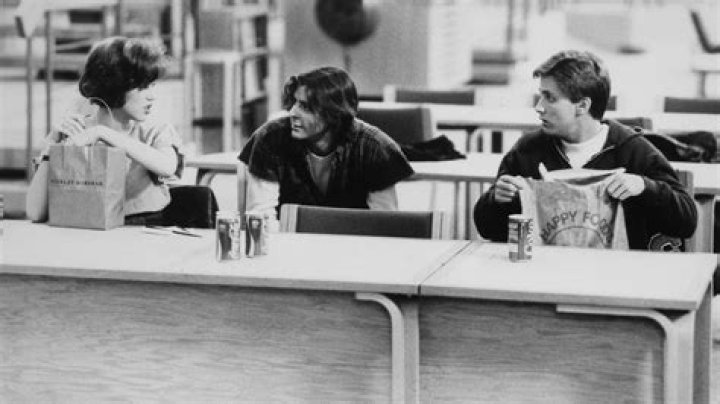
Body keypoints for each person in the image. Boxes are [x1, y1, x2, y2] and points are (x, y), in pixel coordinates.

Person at [473, 50, 697, 250]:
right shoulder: (527, 150)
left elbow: (687, 222)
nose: (539, 107)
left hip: (617, 277)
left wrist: (645, 187)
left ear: (582, 106)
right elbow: (487, 229)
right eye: (541, 95)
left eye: (550, 98)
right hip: (546, 275)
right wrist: (496, 201)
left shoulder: (632, 150)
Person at [26, 36, 184, 225]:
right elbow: (35, 212)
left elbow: (167, 166)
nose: (152, 97)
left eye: (152, 86)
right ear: (115, 84)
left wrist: (103, 133)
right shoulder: (76, 131)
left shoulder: (154, 130)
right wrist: (52, 147)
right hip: (85, 231)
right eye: (141, 88)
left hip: (142, 230)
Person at [238, 66, 414, 224]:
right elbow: (261, 218)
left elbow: (384, 224)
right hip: (289, 242)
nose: (292, 112)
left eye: (305, 107)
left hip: (354, 245)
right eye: (295, 103)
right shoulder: (271, 138)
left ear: (334, 114)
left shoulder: (374, 147)